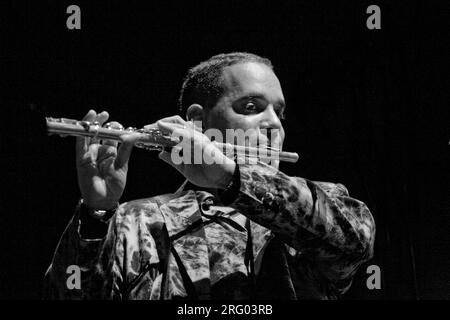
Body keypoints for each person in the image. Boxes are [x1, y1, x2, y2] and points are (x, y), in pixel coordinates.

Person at [43, 52, 375, 300]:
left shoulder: (314, 208)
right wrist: (96, 214)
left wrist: (231, 176)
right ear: (198, 122)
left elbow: (354, 245)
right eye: (251, 107)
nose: (275, 124)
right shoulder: (138, 220)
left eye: (280, 112)